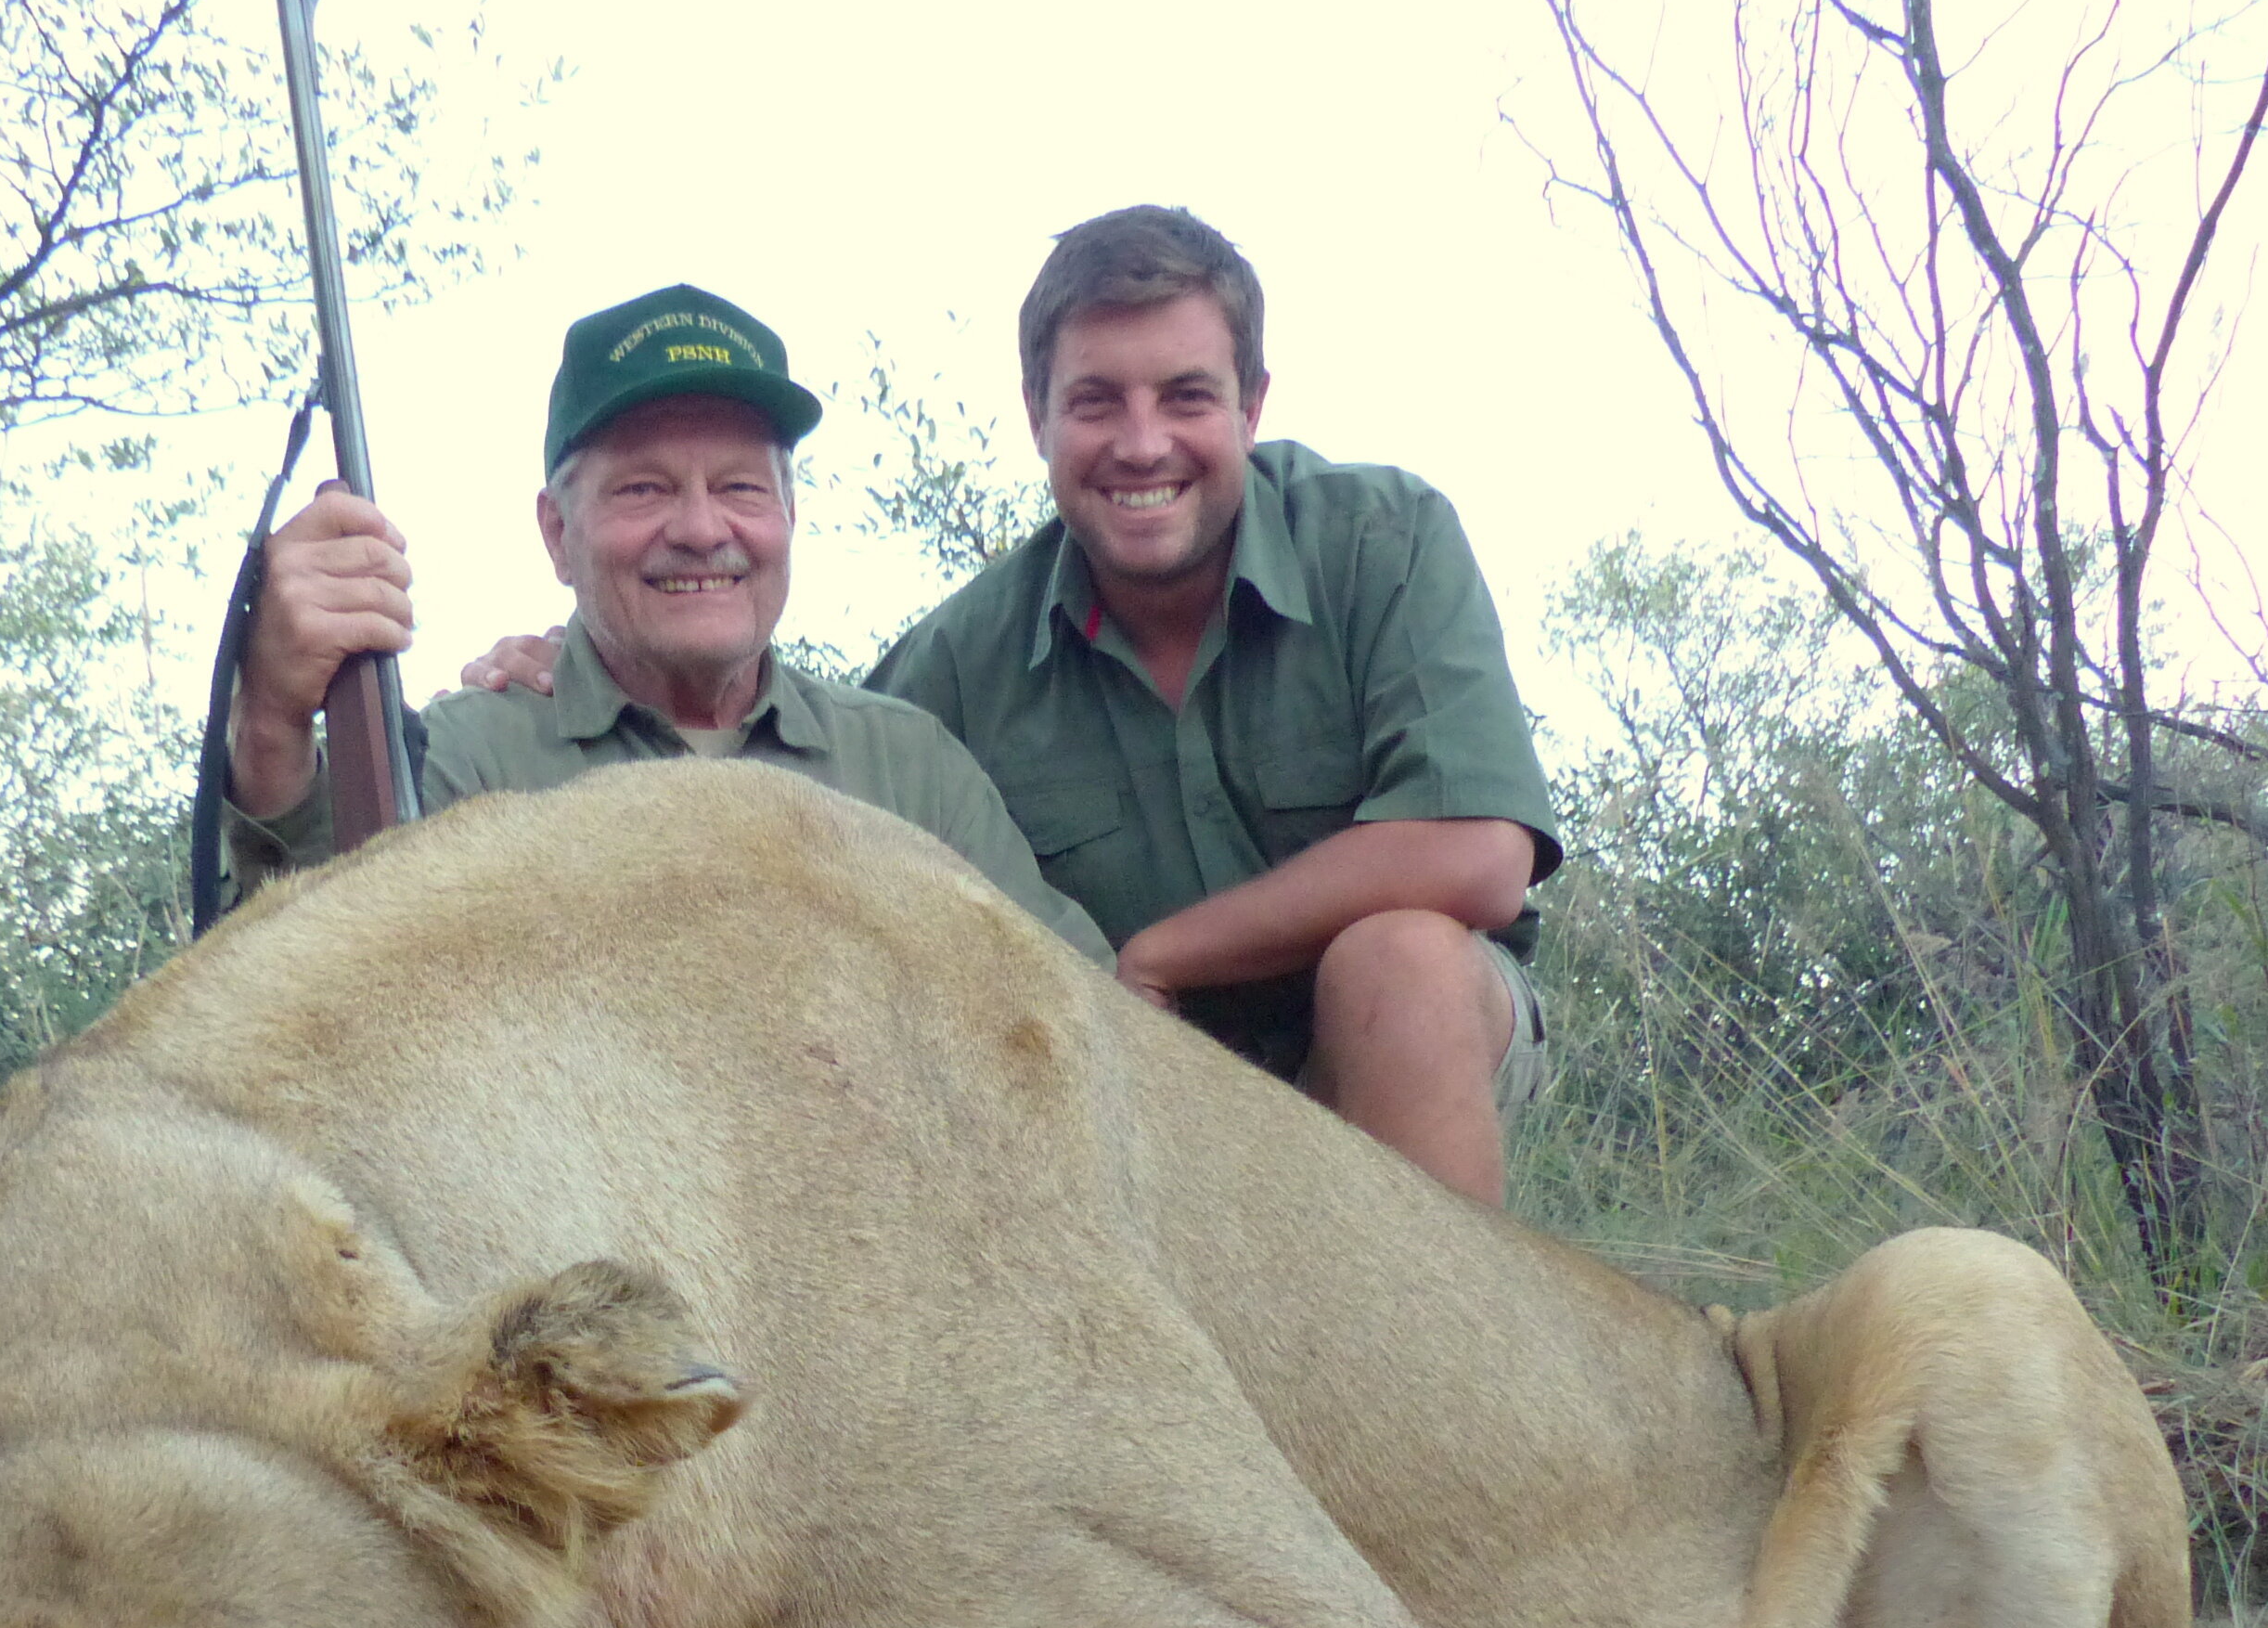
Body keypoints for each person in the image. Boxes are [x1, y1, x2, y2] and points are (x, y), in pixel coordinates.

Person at [470, 212, 1562, 1208]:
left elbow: (1479, 856)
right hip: (1153, 1109)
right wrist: (584, 656)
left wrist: (1164, 958)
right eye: (1095, 402)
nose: (1141, 444)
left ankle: (1459, 1411)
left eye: (1185, 395)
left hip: (1398, 1045)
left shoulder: (1382, 534)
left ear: (1252, 404)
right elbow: (789, 739)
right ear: (1037, 416)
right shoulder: (947, 669)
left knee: (1399, 963)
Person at [225, 282, 1111, 968]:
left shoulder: (913, 770)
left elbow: (1076, 1021)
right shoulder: (463, 765)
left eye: (739, 487)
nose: (698, 528)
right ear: (557, 534)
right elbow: (318, 986)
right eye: (643, 488)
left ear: (790, 518)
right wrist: (270, 721)